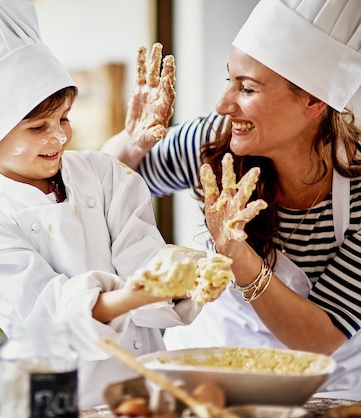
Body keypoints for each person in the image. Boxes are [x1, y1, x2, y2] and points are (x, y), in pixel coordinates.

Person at [0, 0, 248, 409]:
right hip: (61, 401)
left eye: (63, 118)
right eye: (38, 126)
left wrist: (199, 269)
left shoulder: (103, 173)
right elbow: (49, 320)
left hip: (141, 395)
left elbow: (147, 263)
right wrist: (135, 293)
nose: (59, 137)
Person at [103, 0, 361, 399]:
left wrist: (235, 251)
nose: (224, 104)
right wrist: (132, 140)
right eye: (230, 81)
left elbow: (318, 339)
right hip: (208, 385)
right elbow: (101, 191)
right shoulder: (217, 141)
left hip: (323, 395)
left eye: (247, 88)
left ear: (313, 101)